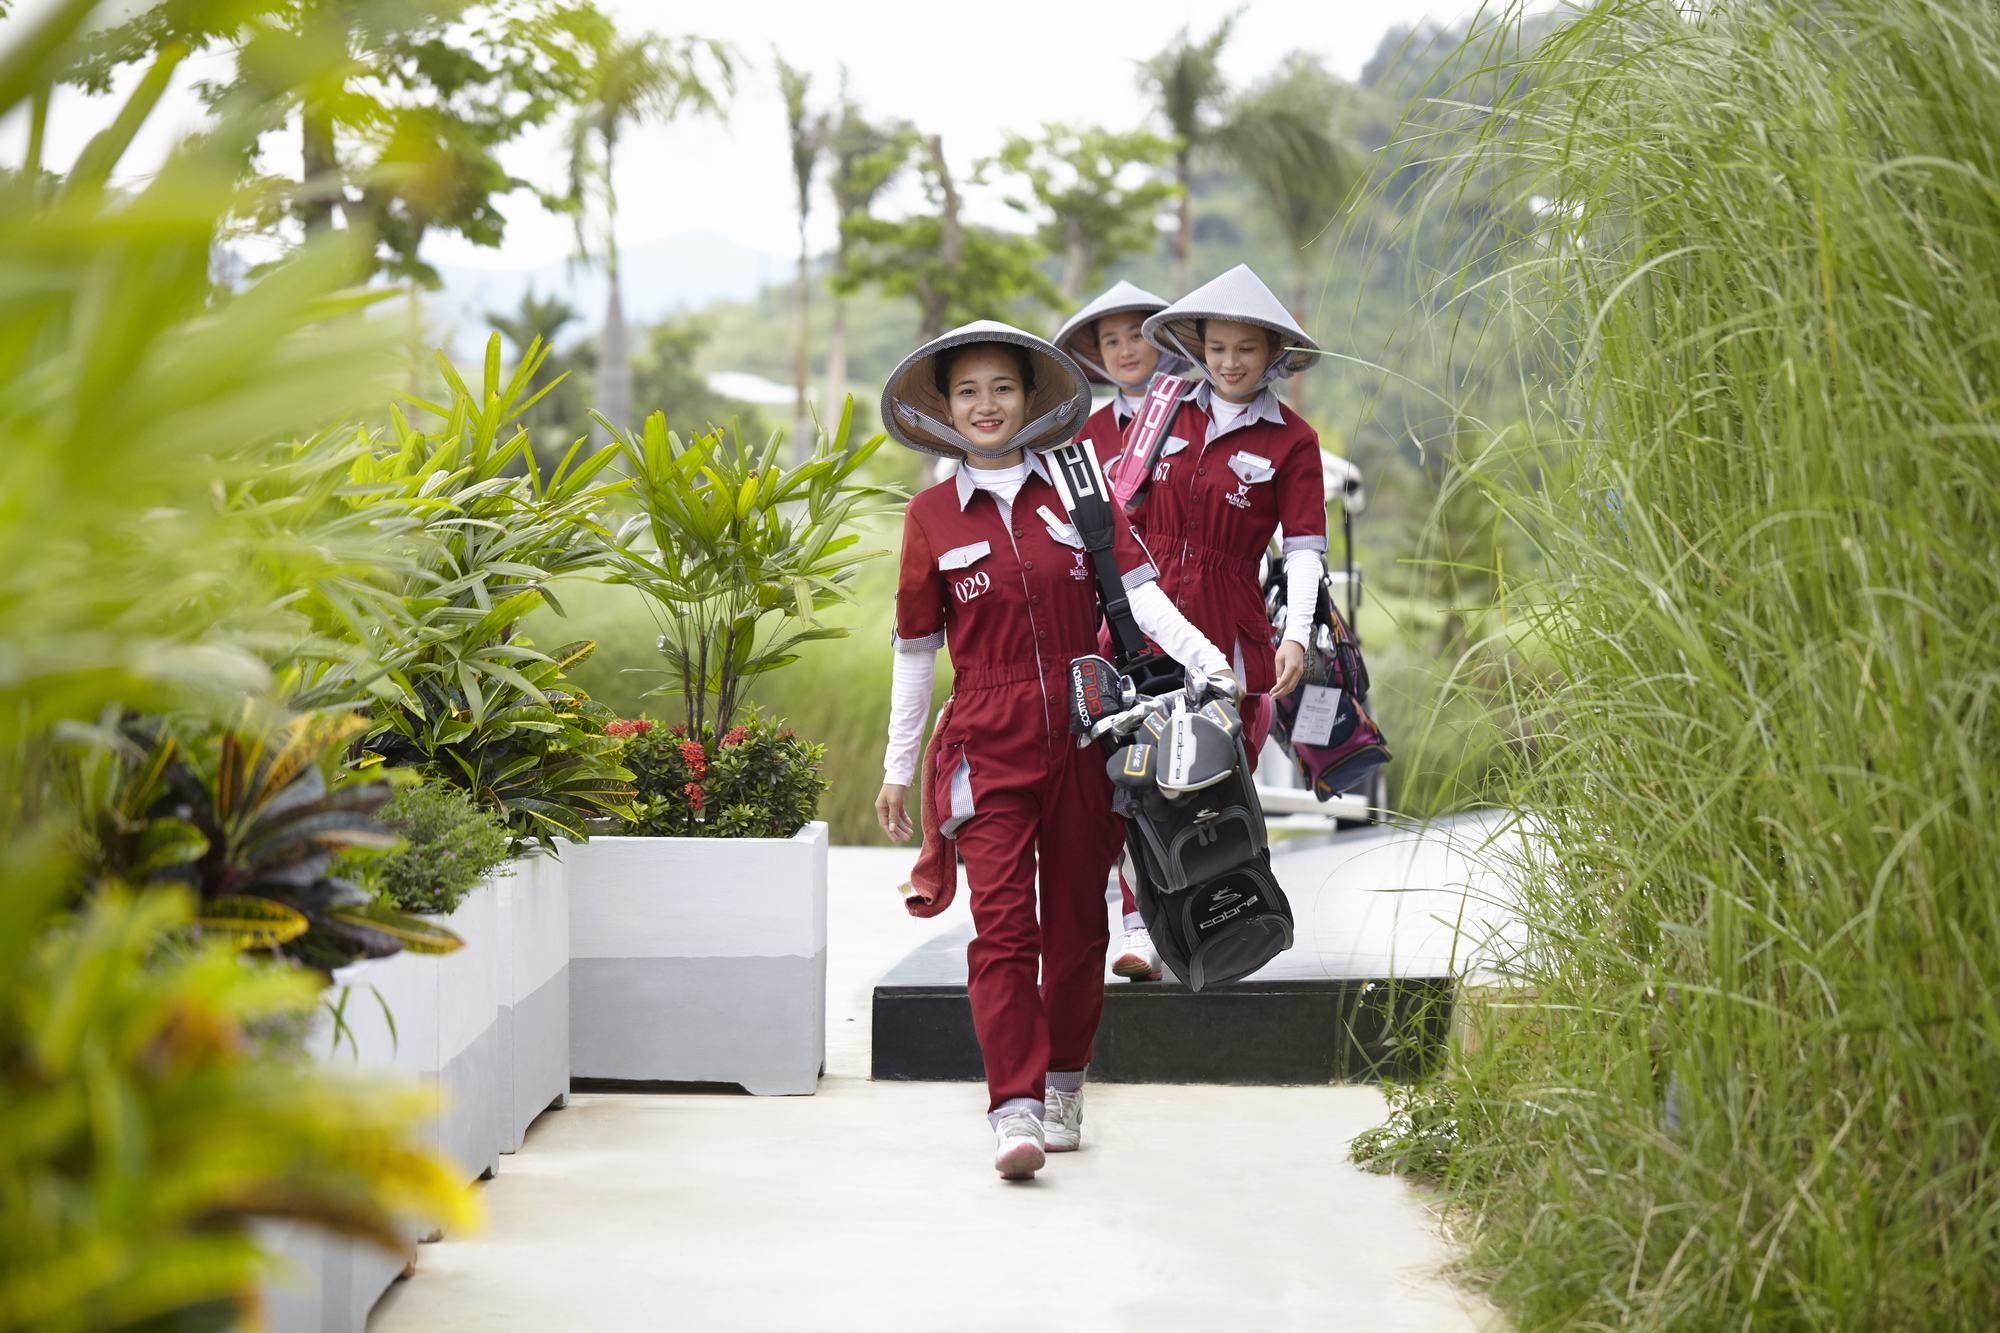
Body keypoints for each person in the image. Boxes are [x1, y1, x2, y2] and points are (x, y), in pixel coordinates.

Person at [874, 321, 1234, 1181]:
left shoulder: (1081, 487)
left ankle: (1066, 1081)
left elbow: (1137, 595)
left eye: (1002, 387)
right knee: (1003, 928)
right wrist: (897, 765)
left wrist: (1209, 662)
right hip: (985, 744)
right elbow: (916, 648)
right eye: (967, 391)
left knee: (1077, 924)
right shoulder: (928, 516)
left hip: (1087, 730)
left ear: (1032, 400)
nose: (985, 405)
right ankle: (1014, 1108)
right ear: (946, 408)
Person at [1051, 281, 1194, 983]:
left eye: (1138, 333)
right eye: (1110, 340)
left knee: (1184, 777)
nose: (1126, 349)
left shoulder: (1195, 417)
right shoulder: (1082, 438)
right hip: (1110, 628)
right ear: (1095, 356)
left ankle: (1186, 915)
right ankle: (1136, 922)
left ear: (1163, 340)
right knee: (1119, 778)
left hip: (1183, 613)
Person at [1134, 264, 1331, 758]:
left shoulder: (1294, 439)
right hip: (1142, 616)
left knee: (1217, 766)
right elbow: (1124, 518)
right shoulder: (1163, 407)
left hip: (1230, 623)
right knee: (1127, 769)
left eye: (1245, 348)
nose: (1229, 362)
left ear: (1272, 351)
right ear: (1199, 347)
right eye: (1217, 347)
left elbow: (1303, 549)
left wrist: (1296, 637)